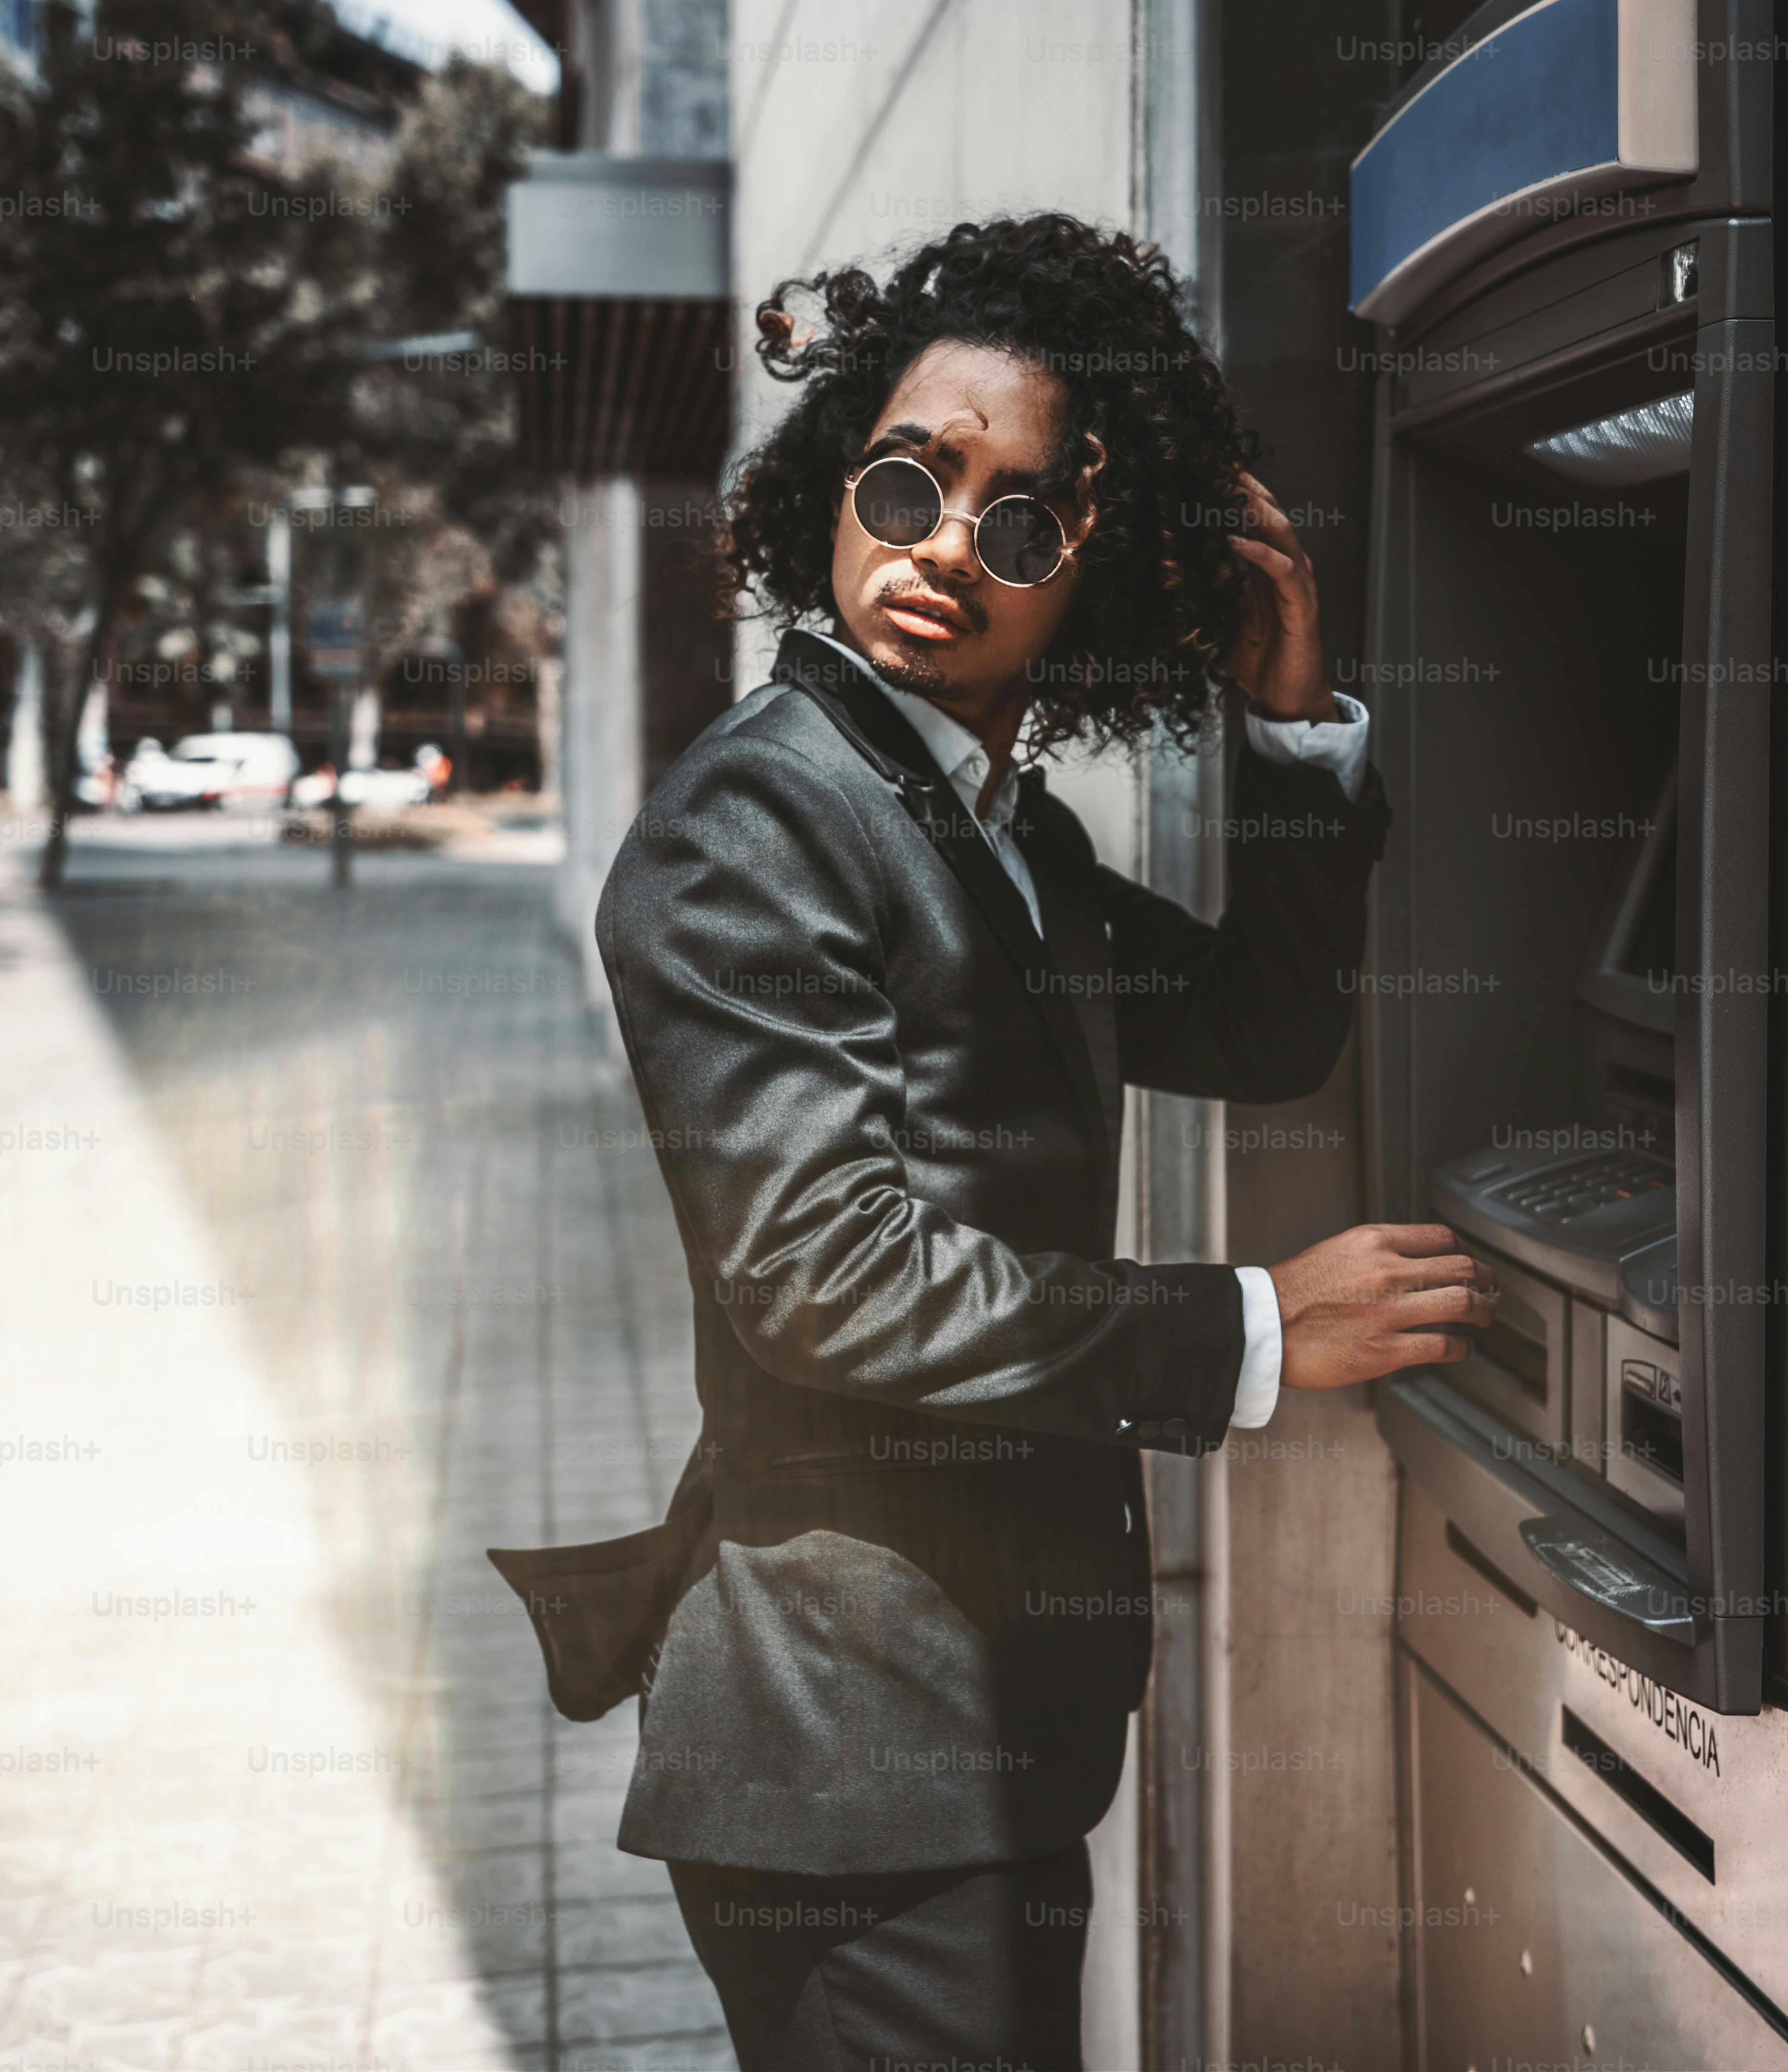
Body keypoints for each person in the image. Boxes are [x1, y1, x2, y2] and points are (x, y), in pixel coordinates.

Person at [528, 214, 1498, 2066]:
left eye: (1023, 524)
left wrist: (1293, 732)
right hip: (855, 1765)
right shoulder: (756, 823)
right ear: (837, 484)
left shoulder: (986, 826)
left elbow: (1257, 1028)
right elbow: (828, 1279)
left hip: (968, 1733)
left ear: (1090, 576)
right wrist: (1249, 1326)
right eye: (908, 482)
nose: (945, 550)